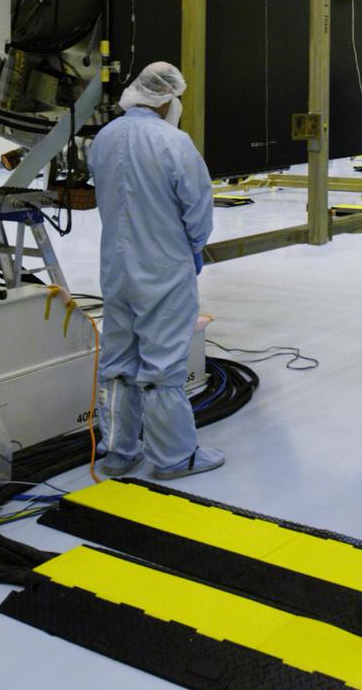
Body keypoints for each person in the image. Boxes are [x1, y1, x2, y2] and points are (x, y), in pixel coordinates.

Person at [88, 62, 224, 479]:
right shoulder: (174, 142)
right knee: (163, 364)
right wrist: (196, 246)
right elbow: (197, 207)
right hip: (164, 267)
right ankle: (174, 457)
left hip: (116, 267)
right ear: (166, 97)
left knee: (118, 358)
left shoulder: (104, 138)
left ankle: (118, 450)